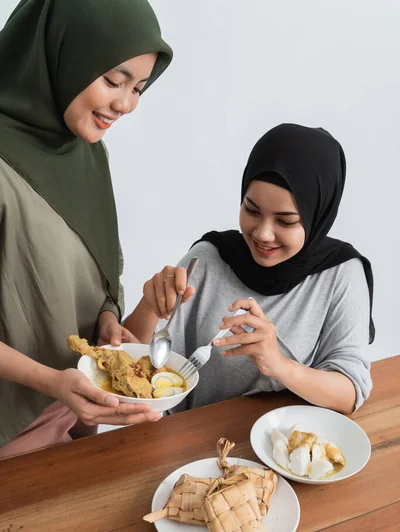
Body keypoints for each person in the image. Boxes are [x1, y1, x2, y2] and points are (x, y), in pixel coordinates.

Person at [0, 0, 173, 458]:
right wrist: (50, 381)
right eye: (113, 80)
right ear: (60, 53)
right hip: (13, 424)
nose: (126, 104)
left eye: (139, 87)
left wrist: (108, 320)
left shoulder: (88, 152)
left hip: (79, 404)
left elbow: (91, 272)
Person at [126, 123, 374, 415]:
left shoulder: (340, 274)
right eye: (252, 210)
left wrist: (279, 365)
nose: (263, 234)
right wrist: (149, 305)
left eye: (286, 221)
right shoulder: (208, 259)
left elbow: (350, 393)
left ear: (317, 215)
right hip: (188, 444)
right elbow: (131, 358)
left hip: (283, 449)